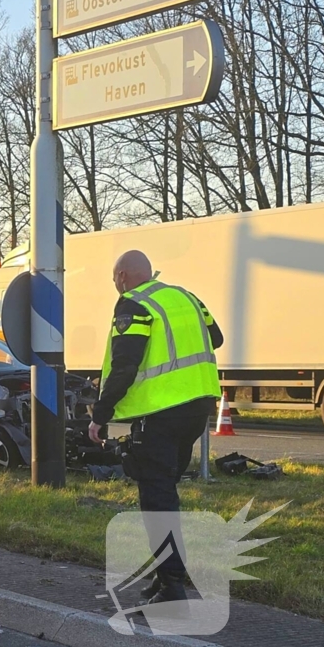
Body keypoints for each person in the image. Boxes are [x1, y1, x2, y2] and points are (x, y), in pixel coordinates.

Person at [89, 250, 223, 607]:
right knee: (166, 491)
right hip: (197, 410)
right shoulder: (185, 297)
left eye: (115, 280)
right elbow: (217, 338)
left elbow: (124, 366)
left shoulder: (133, 305)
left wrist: (99, 415)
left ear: (121, 277)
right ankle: (165, 573)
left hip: (160, 415)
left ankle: (172, 585)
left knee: (158, 498)